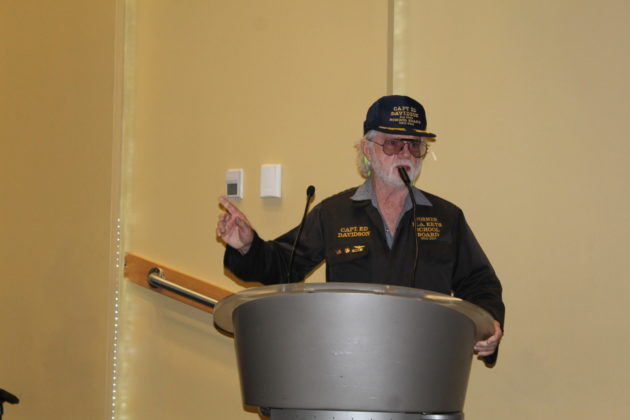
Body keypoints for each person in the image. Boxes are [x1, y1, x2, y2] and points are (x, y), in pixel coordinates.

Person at [217, 95, 504, 365]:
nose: (406, 154)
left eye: (414, 145)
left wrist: (489, 323)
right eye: (393, 144)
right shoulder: (334, 213)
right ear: (367, 149)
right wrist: (246, 245)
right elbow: (284, 266)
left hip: (426, 366)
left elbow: (481, 283)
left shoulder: (446, 217)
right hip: (349, 363)